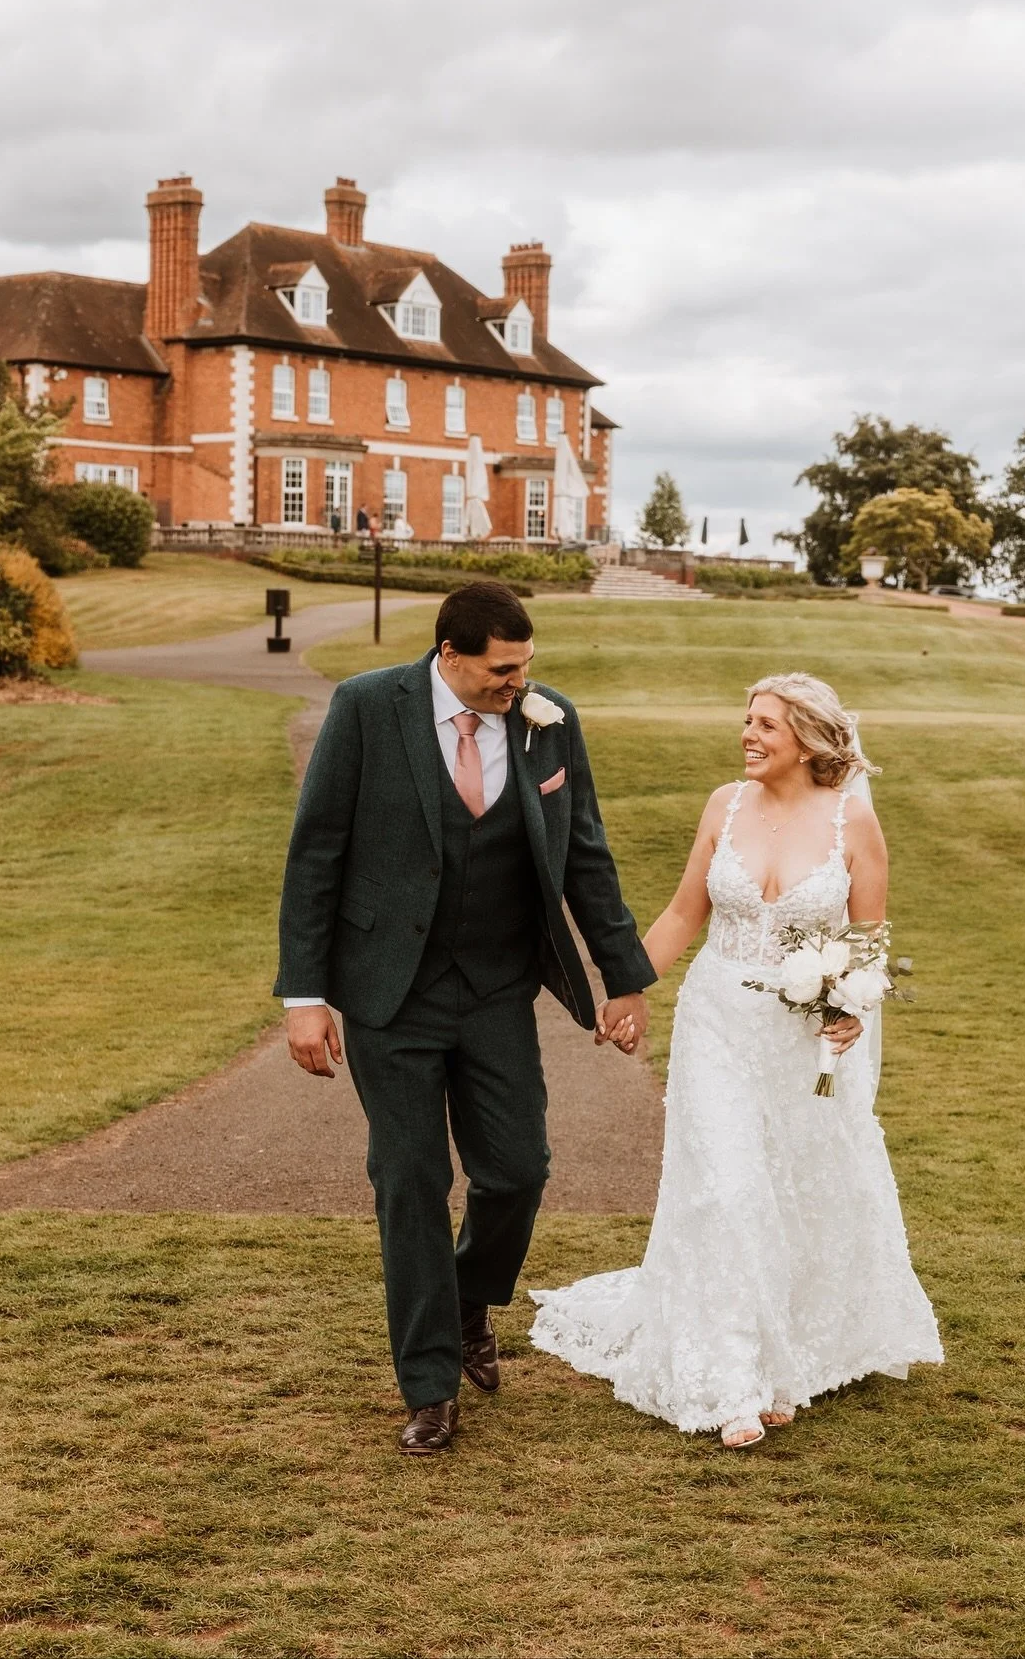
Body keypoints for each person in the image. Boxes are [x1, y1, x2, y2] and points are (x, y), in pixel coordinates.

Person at [276, 580, 655, 1456]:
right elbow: (316, 851)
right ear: (449, 654)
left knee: (519, 1167)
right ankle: (431, 1386)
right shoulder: (369, 707)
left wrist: (623, 977)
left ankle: (469, 1295)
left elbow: (585, 853)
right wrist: (305, 996)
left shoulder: (545, 722)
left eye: (525, 668)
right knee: (407, 1178)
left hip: (494, 988)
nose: (517, 683)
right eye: (501, 668)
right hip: (387, 994)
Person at [530, 672, 942, 1447]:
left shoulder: (853, 821)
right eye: (746, 721)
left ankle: (789, 1346)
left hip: (800, 1040)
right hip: (717, 1021)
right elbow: (688, 908)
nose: (748, 735)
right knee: (726, 1185)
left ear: (809, 741)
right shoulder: (725, 805)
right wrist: (625, 987)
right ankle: (732, 1379)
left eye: (766, 726)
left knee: (795, 1188)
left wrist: (850, 1003)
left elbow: (867, 938)